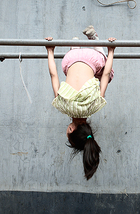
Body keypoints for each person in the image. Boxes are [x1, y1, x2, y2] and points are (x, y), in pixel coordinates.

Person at [45, 25, 116, 180]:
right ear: (71, 129)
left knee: (108, 75)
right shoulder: (62, 105)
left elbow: (104, 76)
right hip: (69, 59)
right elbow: (53, 75)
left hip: (92, 56)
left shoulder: (94, 106)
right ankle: (74, 46)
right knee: (68, 71)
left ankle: (95, 40)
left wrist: (111, 50)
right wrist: (50, 50)